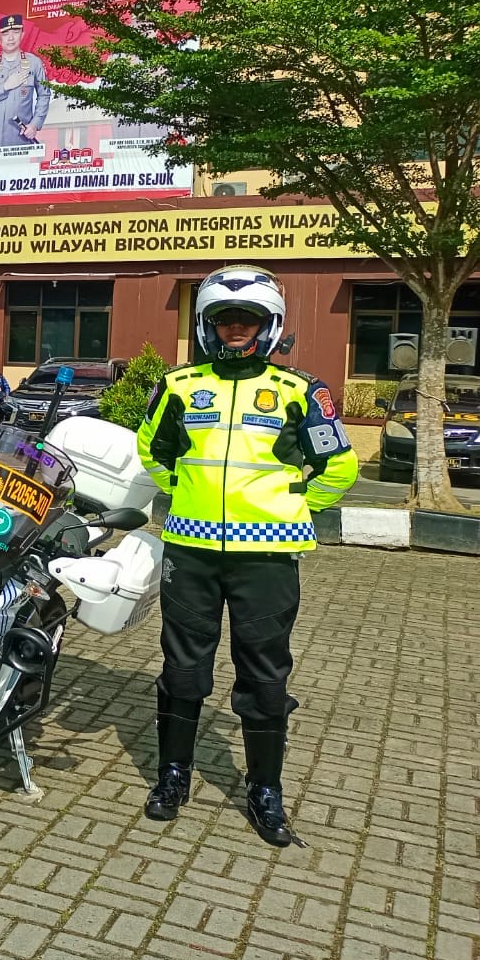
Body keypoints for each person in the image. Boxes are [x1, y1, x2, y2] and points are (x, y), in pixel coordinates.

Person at [136, 265, 358, 846]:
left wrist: (292, 504)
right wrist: (185, 493)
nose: (236, 328)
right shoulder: (179, 387)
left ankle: (265, 790)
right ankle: (172, 775)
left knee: (264, 674)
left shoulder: (301, 392)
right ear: (207, 325)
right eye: (224, 319)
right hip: (191, 551)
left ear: (270, 325)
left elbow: (340, 466)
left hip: (268, 559)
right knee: (182, 669)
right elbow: (152, 451)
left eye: (248, 319)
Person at [0, 14, 51, 147]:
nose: (11, 38)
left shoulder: (34, 63)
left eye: (16, 32)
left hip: (20, 141)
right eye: (6, 33)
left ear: (22, 34)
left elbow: (44, 95)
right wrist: (4, 87)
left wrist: (35, 124)